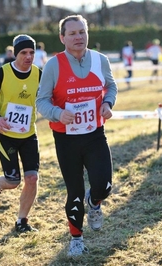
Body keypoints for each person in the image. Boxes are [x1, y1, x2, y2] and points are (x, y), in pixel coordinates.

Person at [36, 14, 117, 257]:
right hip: (66, 139)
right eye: (72, 33)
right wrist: (58, 113)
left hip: (94, 135)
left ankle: (95, 203)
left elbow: (110, 86)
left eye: (82, 31)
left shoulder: (100, 60)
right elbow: (41, 101)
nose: (78, 37)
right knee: (74, 191)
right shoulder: (53, 65)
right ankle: (76, 239)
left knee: (104, 185)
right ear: (62, 38)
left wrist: (108, 103)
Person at [0, 34, 41, 233]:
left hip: (29, 134)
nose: (28, 56)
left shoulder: (38, 74)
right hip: (6, 135)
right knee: (13, 181)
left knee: (32, 178)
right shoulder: (2, 73)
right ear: (16, 54)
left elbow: (47, 97)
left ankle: (22, 222)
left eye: (32, 52)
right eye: (24, 52)